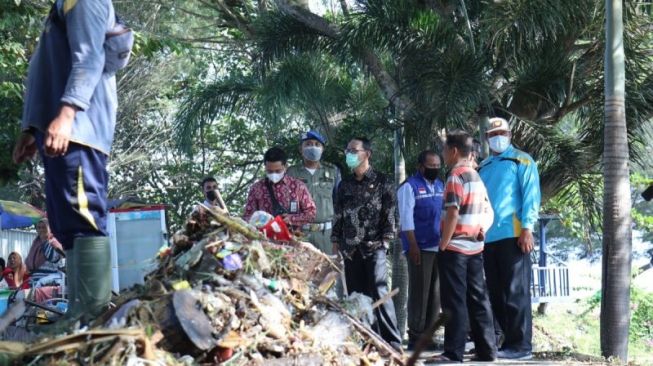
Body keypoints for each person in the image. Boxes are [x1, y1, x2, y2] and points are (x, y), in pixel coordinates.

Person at [12, 0, 121, 324]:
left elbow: (88, 56)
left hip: (78, 132)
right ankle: (78, 317)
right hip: (59, 132)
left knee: (83, 219)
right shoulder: (62, 6)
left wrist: (68, 112)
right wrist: (32, 128)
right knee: (66, 225)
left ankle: (90, 318)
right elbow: (50, 72)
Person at [331, 137, 402, 351]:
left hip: (375, 247)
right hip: (350, 249)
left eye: (354, 150)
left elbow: (391, 215)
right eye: (348, 150)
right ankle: (366, 342)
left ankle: (392, 342)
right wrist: (336, 245)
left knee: (379, 291)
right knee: (356, 297)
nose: (350, 154)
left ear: (367, 154)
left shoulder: (383, 182)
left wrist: (385, 242)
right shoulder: (344, 185)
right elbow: (339, 217)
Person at [478, 117, 541, 360]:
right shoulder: (483, 167)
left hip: (514, 235)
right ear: (486, 138)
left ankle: (522, 346)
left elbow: (531, 196)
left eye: (502, 132)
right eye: (493, 134)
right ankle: (508, 343)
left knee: (516, 292)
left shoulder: (522, 160)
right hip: (488, 238)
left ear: (510, 134)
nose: (498, 137)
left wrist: (527, 228)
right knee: (496, 293)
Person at [434, 130, 496, 363]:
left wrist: (444, 242)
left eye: (444, 150)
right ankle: (487, 350)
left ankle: (453, 352)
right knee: (478, 297)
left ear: (454, 151)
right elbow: (487, 211)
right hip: (475, 247)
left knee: (454, 300)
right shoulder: (476, 177)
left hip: (456, 248)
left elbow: (452, 213)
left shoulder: (455, 176)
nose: (443, 155)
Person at [397, 150, 444, 349]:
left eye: (437, 167)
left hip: (439, 246)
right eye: (430, 166)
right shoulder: (409, 187)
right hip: (419, 247)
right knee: (419, 292)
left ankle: (429, 335)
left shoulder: (441, 185)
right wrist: (413, 245)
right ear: (420, 166)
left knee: (435, 293)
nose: (434, 170)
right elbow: (406, 218)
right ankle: (416, 335)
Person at [287, 130, 340, 253]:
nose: (313, 147)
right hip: (300, 234)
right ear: (301, 149)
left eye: (317, 144)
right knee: (301, 271)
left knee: (328, 271)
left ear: (322, 149)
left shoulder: (333, 172)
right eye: (308, 144)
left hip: (327, 236)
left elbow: (339, 203)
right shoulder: (291, 173)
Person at [243, 147, 317, 228]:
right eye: (269, 171)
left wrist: (291, 219)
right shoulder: (256, 188)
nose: (274, 174)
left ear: (285, 167)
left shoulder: (298, 186)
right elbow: (247, 216)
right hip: (265, 237)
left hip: (292, 237)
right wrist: (260, 220)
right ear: (265, 167)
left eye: (278, 171)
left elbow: (311, 213)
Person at [25, 219, 65, 302]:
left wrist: (45, 241)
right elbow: (29, 261)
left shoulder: (54, 242)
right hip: (33, 280)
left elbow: (52, 257)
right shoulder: (36, 242)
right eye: (39, 228)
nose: (41, 230)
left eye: (44, 227)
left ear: (50, 229)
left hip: (47, 281)